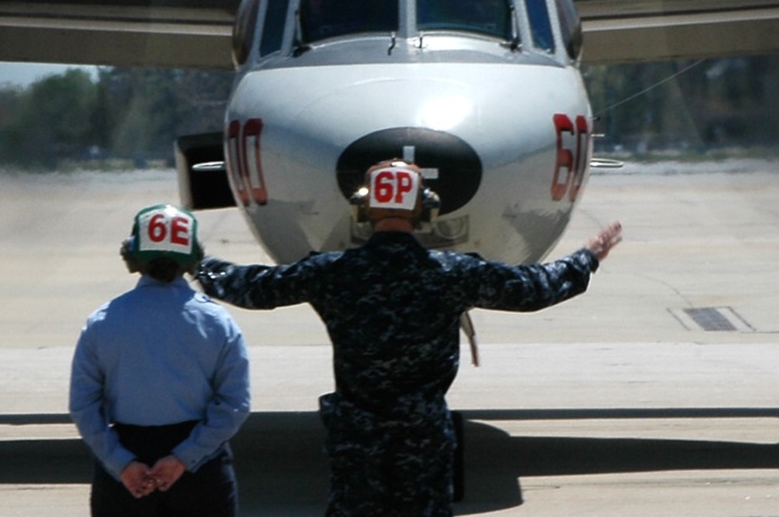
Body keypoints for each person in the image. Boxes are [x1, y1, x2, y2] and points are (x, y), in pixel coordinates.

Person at [195, 158, 623, 517]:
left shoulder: (333, 272)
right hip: (423, 433)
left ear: (365, 209)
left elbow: (254, 287)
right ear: (424, 210)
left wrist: (197, 263)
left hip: (355, 436)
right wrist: (587, 258)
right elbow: (533, 289)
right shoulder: (451, 273)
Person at [70, 204, 251, 516]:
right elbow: (235, 404)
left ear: (132, 256)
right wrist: (183, 458)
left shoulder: (102, 322)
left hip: (125, 460)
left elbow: (84, 406)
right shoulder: (218, 322)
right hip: (201, 467)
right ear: (193, 255)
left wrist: (121, 463)